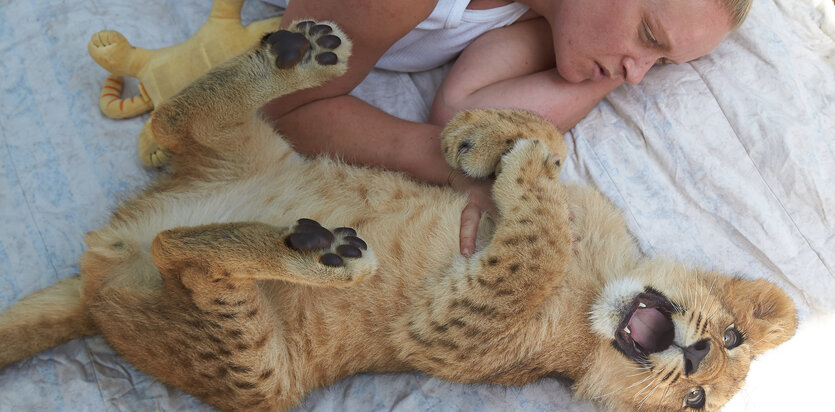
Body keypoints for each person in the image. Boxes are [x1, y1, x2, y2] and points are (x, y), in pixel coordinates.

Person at [260, 0, 751, 256]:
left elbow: (460, 118)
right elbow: (282, 106)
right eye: (648, 36)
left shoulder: (559, 15)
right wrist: (453, 171)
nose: (640, 74)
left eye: (661, 61)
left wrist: (618, 68)